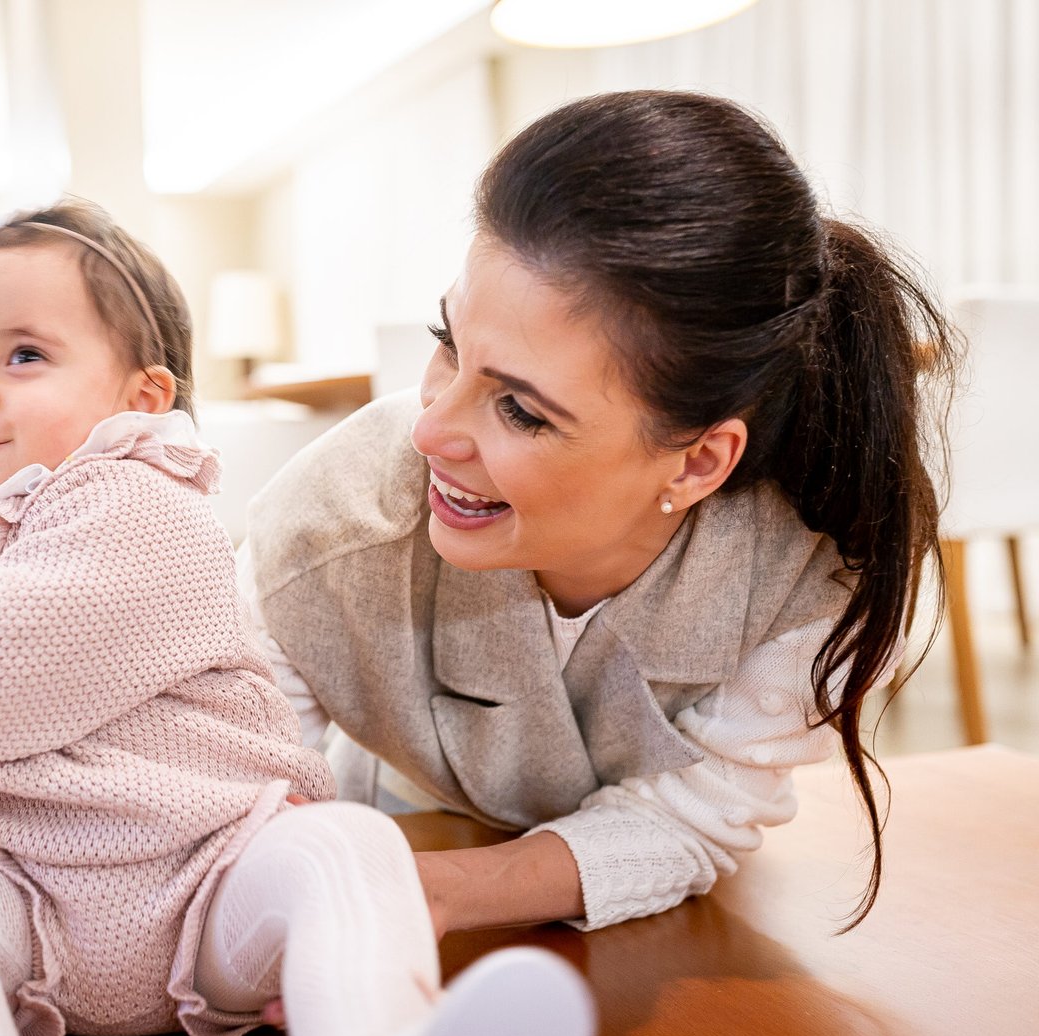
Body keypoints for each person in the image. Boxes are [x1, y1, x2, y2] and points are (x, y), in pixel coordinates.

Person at [0, 201, 597, 1036]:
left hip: (211, 876)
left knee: (345, 847)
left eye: (24, 356)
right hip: (20, 891)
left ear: (142, 398)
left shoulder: (143, 507)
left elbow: (0, 657)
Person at [239, 88, 954, 939]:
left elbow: (700, 810)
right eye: (448, 345)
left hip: (633, 929)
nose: (428, 431)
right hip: (389, 831)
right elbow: (233, 797)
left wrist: (442, 894)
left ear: (697, 462)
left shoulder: (808, 575)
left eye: (521, 411)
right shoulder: (329, 525)